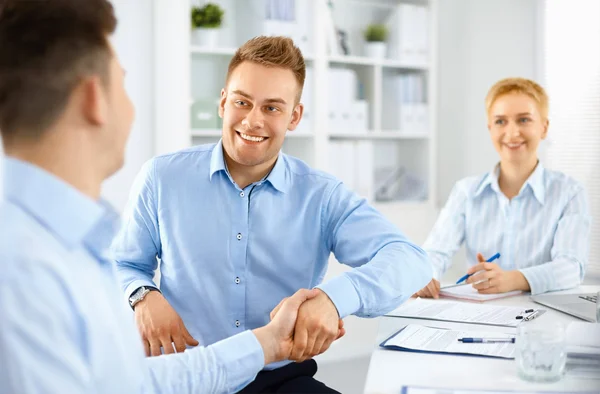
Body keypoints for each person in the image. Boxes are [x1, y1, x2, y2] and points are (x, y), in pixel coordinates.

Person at [0, 1, 327, 393]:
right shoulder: (26, 269)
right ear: (94, 98)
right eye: (122, 82)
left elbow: (131, 383)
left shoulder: (59, 245)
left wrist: (267, 343)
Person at [112, 35, 432, 392]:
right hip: (188, 373)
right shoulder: (162, 178)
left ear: (294, 116)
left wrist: (334, 299)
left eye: (272, 108)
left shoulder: (321, 195)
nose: (252, 121)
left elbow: (411, 260)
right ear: (222, 102)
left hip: (278, 378)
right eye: (242, 102)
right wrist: (142, 296)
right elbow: (124, 262)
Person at [416, 77, 591, 299]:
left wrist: (513, 279)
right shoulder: (466, 191)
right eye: (500, 121)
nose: (512, 133)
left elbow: (571, 267)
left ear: (544, 127)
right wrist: (424, 275)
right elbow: (435, 252)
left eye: (524, 120)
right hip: (481, 317)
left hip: (544, 320)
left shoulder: (569, 192)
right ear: (490, 128)